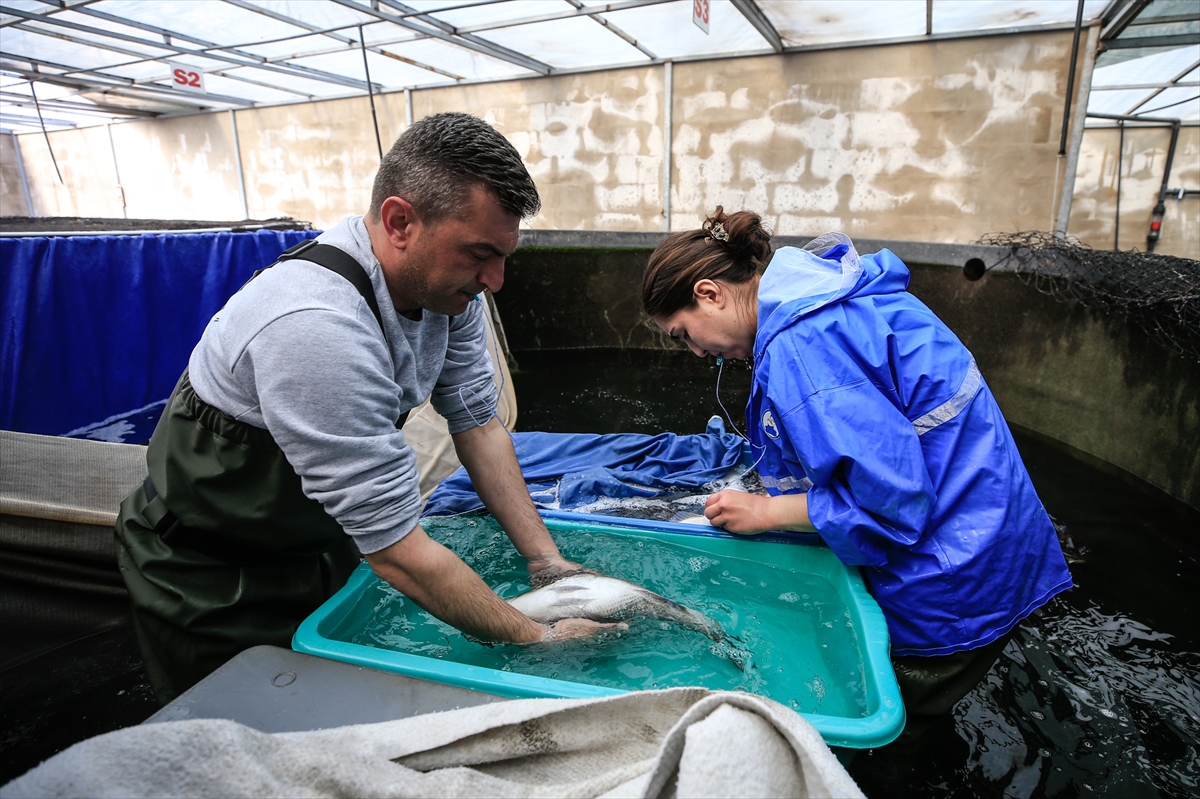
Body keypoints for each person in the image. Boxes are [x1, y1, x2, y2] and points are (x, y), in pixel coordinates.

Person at [115, 112, 618, 704]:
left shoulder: (451, 294)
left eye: (504, 254)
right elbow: (400, 552)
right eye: (479, 253)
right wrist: (535, 637)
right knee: (240, 727)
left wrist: (546, 562)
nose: (497, 279)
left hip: (319, 543)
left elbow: (478, 424)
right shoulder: (315, 327)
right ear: (400, 221)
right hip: (207, 573)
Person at [640, 207, 1072, 719]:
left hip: (951, 576)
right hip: (996, 533)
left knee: (888, 729)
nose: (694, 352)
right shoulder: (827, 294)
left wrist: (767, 513)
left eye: (683, 333)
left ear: (710, 294)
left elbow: (891, 503)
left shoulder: (804, 343)